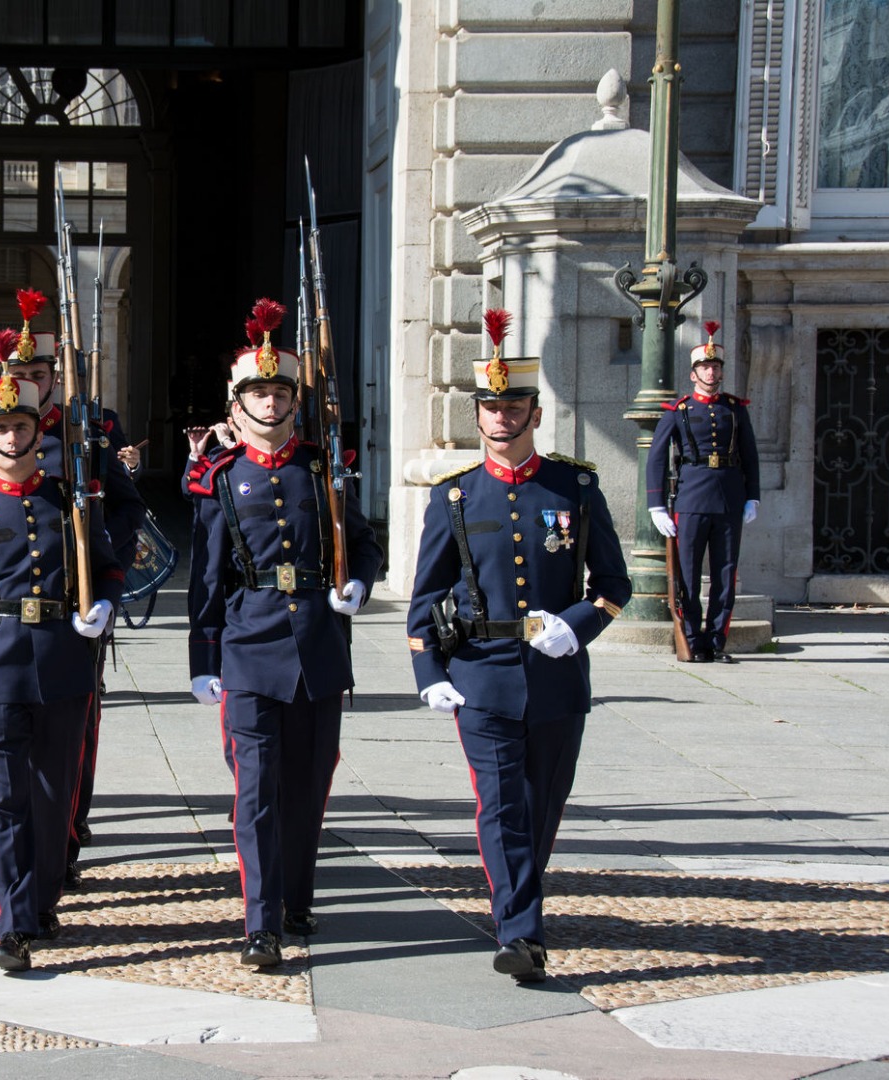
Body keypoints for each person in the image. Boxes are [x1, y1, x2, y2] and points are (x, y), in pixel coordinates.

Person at [406, 308, 631, 985]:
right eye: (490, 408)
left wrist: (578, 624)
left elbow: (615, 583)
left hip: (557, 675)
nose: (501, 417)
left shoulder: (574, 487)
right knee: (500, 805)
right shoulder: (454, 498)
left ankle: (518, 905)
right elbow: (423, 596)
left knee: (540, 809)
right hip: (482, 674)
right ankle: (520, 934)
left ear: (534, 412)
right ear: (477, 417)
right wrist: (428, 670)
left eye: (513, 406)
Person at [186, 298, 383, 969]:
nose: (268, 403)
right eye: (256, 392)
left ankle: (297, 899)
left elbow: (361, 543)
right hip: (247, 647)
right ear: (235, 403)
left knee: (307, 788)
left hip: (318, 650)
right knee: (256, 792)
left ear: (294, 399)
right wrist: (202, 656)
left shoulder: (321, 469)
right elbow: (206, 580)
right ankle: (260, 922)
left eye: (278, 391)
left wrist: (358, 581)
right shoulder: (221, 477)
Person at [0, 291, 146, 886]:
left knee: (74, 733)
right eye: (19, 374)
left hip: (74, 603)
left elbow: (126, 506)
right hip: (10, 620)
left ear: (54, 376)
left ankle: (66, 830)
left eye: (38, 374)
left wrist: (94, 559)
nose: (29, 382)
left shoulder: (92, 431)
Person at [0, 368, 123, 972]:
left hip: (63, 661)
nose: (12, 439)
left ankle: (42, 902)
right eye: (0, 429)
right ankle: (10, 924)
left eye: (21, 426)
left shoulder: (69, 501)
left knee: (52, 796)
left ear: (37, 431)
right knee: (2, 799)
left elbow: (109, 566)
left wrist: (104, 607)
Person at [646, 320, 760, 663]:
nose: (711, 372)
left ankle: (716, 640)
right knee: (688, 575)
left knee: (726, 573)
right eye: (704, 367)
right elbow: (656, 457)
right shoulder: (678, 410)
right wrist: (656, 506)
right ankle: (693, 639)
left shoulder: (735, 409)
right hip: (691, 496)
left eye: (715, 367)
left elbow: (750, 454)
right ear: (693, 373)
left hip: (729, 496)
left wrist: (753, 495)